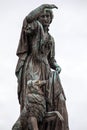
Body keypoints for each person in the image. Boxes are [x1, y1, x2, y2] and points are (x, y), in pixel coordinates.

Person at [12, 4, 69, 130]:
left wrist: (57, 66)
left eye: (48, 16)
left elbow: (51, 59)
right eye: (42, 16)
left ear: (50, 19)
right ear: (39, 17)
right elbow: (27, 19)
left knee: (53, 100)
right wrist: (44, 6)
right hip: (32, 67)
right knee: (33, 98)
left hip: (46, 69)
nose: (45, 18)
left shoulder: (51, 39)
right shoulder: (35, 28)